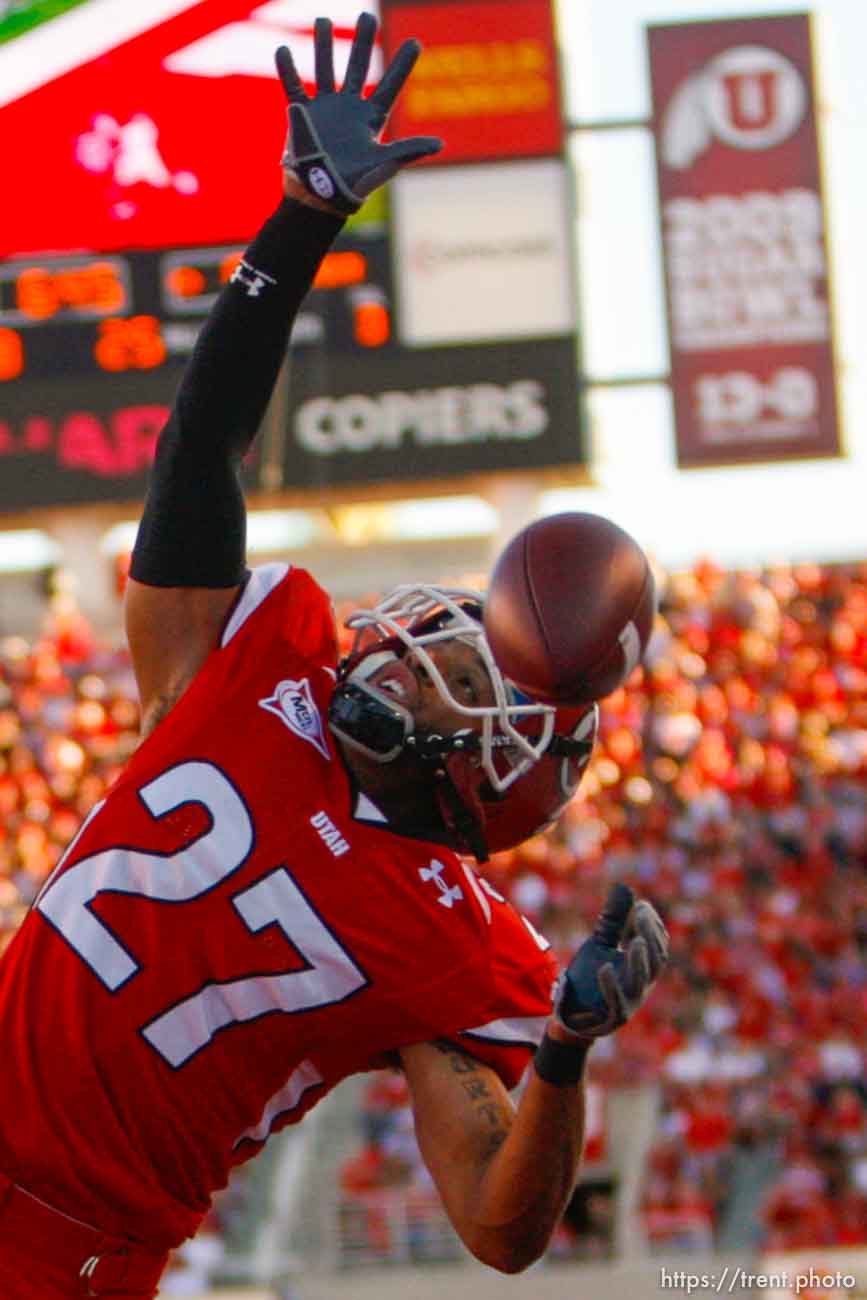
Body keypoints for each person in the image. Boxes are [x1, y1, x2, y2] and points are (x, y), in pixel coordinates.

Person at [0, 14, 668, 1298]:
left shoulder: (454, 948)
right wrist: (300, 219)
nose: (422, 647)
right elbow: (199, 456)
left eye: (465, 670)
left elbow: (499, 1223)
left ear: (491, 759)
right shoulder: (257, 661)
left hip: (65, 1255)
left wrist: (571, 1054)